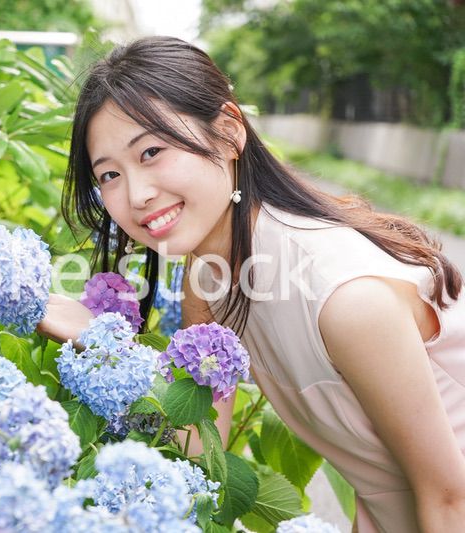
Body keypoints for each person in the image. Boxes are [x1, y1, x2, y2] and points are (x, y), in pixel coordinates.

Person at [37, 36, 465, 532]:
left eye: (151, 151)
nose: (137, 194)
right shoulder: (210, 277)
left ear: (228, 131)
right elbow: (199, 445)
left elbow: (451, 498)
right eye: (109, 174)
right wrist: (101, 342)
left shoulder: (346, 300)